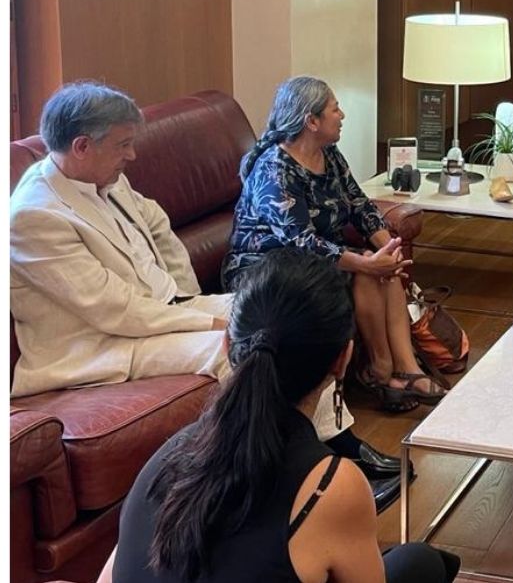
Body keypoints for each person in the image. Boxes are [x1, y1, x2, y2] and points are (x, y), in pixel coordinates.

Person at [9, 81, 406, 508]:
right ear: (82, 146)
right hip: (107, 344)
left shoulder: (103, 176)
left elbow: (157, 225)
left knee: (292, 315)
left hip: (165, 310)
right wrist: (209, 319)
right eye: (123, 145)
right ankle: (300, 479)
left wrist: (187, 295)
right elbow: (117, 313)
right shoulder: (36, 217)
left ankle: (337, 446)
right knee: (239, 347)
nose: (133, 155)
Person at [99, 250, 460, 583]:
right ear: (343, 359)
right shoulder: (331, 485)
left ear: (227, 344)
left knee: (410, 560)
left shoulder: (168, 456)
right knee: (421, 562)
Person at [223, 76, 447, 412]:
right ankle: (381, 371)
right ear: (311, 121)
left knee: (381, 267)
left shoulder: (328, 153)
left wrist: (389, 249)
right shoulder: (275, 169)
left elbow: (359, 204)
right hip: (264, 268)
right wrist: (368, 263)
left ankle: (408, 369)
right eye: (335, 109)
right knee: (368, 270)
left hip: (312, 258)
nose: (342, 115)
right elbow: (300, 241)